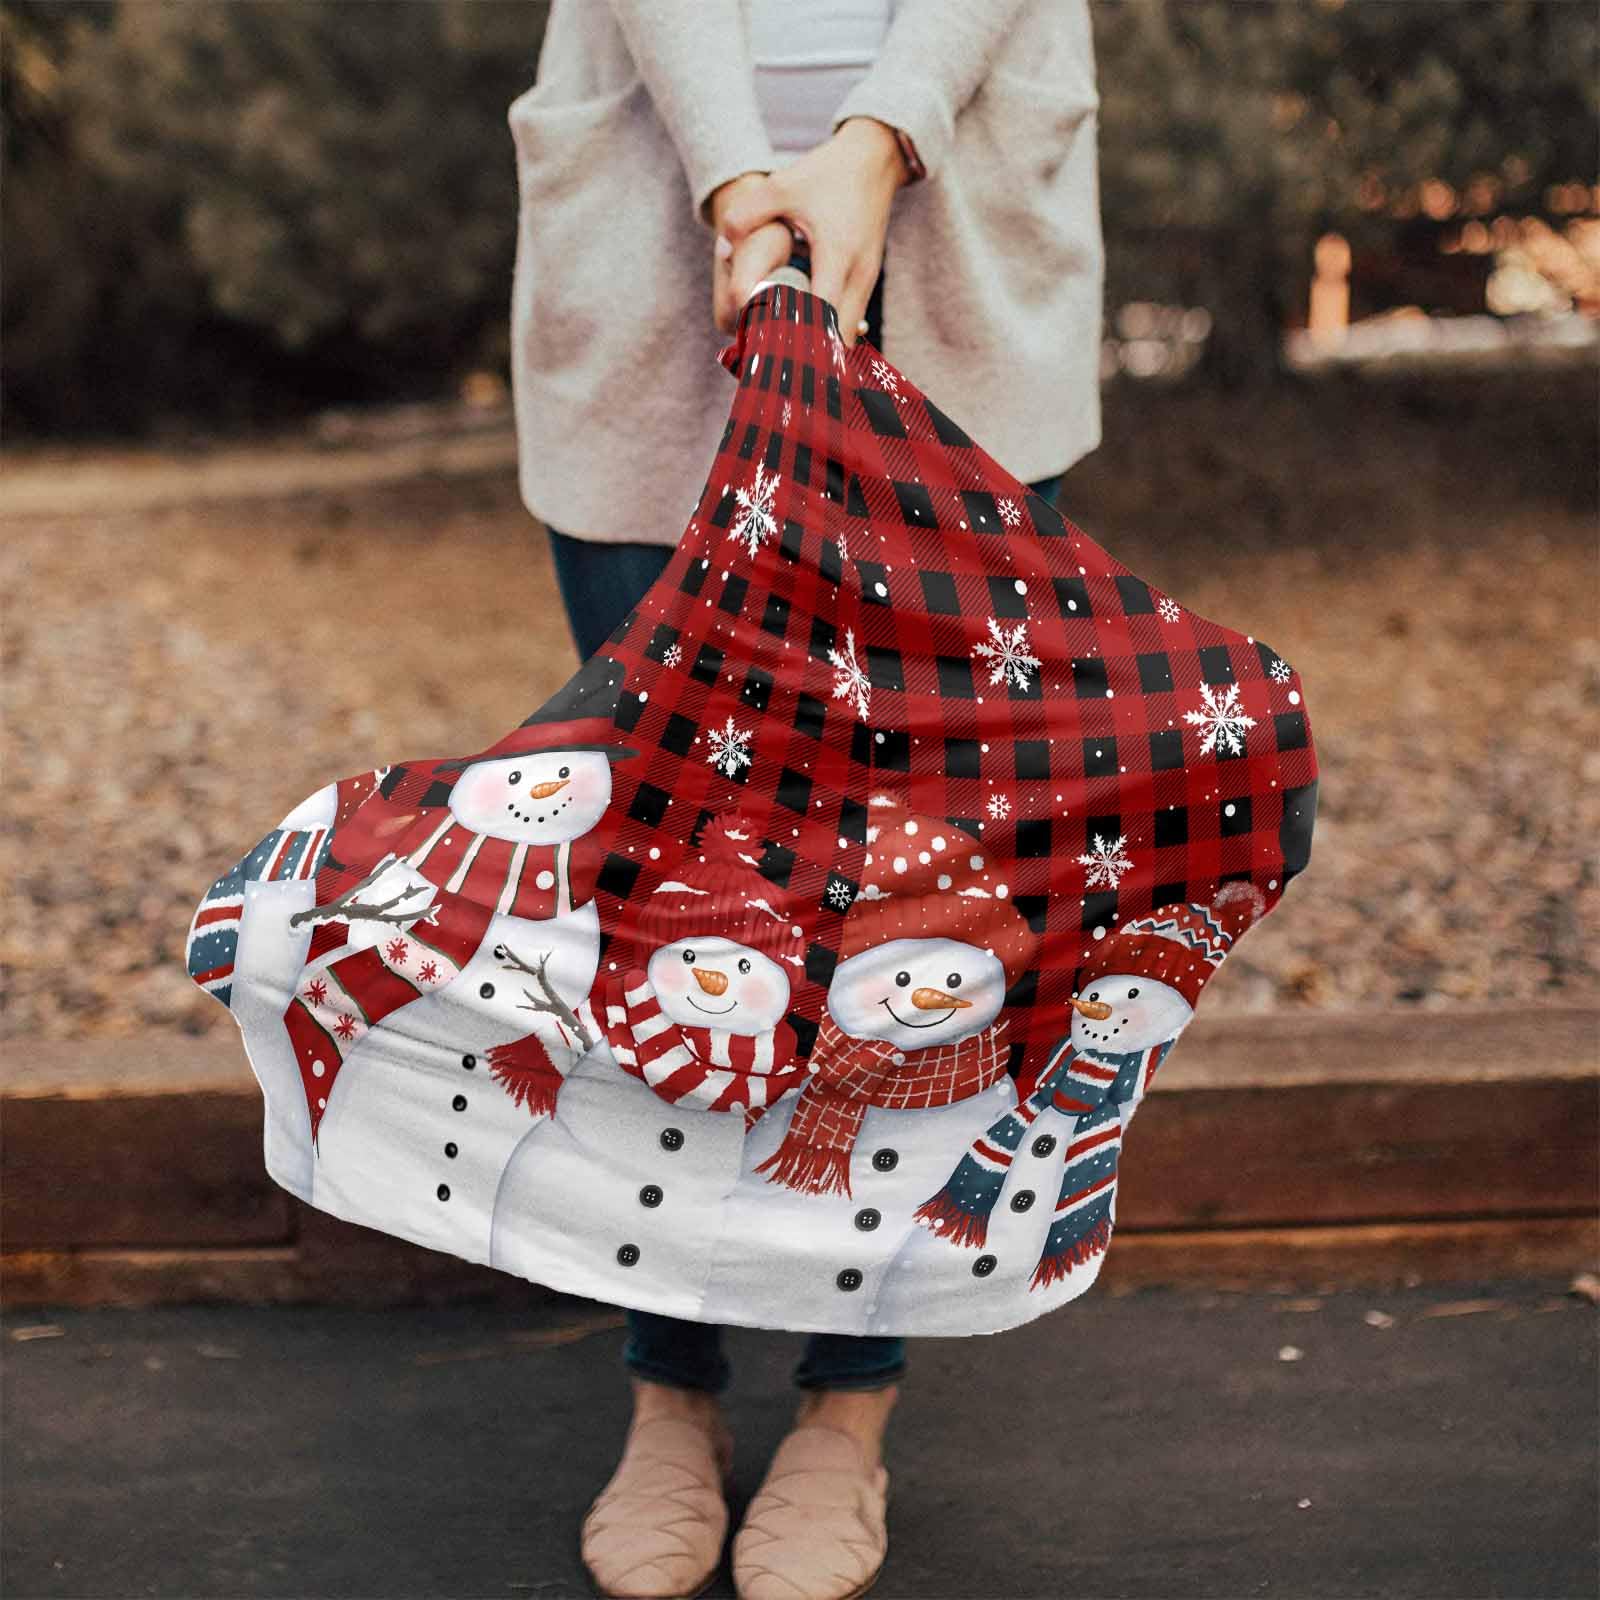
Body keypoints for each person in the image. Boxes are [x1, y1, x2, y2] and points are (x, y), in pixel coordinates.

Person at [505, 4, 1103, 1595]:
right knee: (668, 867)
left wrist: (876, 138)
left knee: (918, 892)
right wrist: (734, 180)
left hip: (958, 225)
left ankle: (850, 1404)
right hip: (657, 218)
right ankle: (670, 1386)